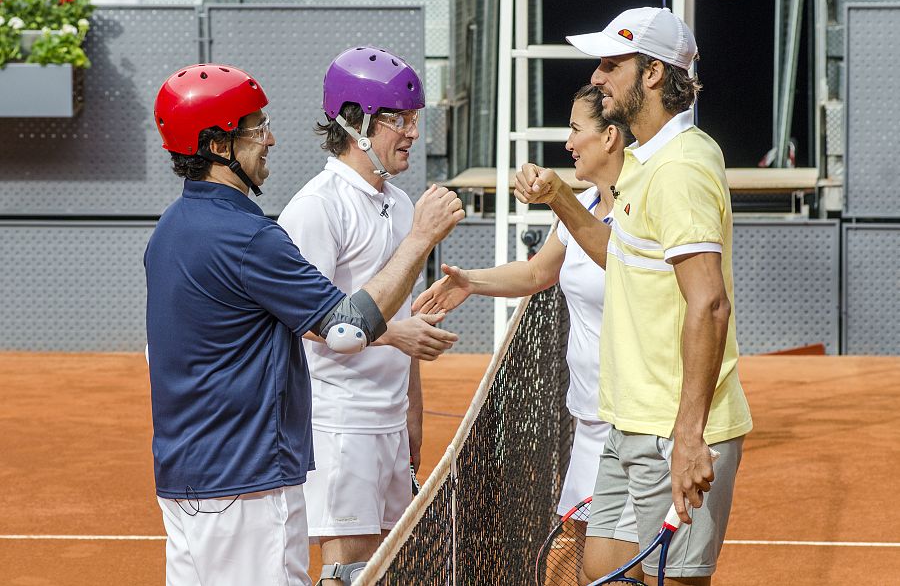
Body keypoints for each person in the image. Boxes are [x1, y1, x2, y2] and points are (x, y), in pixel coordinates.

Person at [145, 63, 463, 586]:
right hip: (247, 480)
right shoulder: (250, 238)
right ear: (219, 145)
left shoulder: (170, 228)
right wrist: (419, 240)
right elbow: (344, 330)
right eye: (255, 128)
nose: (269, 139)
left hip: (187, 476)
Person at [514, 7, 753, 586]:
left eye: (611, 64)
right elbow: (616, 256)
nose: (598, 77)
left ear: (651, 74)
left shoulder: (678, 169)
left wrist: (690, 439)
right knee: (602, 574)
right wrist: (561, 199)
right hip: (628, 423)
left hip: (673, 429)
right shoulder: (646, 161)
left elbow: (709, 303)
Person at [413, 85, 638, 565]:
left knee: (614, 565)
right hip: (591, 415)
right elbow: (539, 272)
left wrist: (557, 197)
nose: (568, 143)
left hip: (636, 423)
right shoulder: (587, 206)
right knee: (579, 554)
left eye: (577, 129)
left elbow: (618, 263)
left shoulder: (640, 205)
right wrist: (469, 281)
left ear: (611, 137)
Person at [276, 46, 459, 585]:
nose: (411, 132)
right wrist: (393, 335)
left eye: (413, 119)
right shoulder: (317, 206)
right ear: (355, 123)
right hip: (339, 423)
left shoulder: (401, 204)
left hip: (389, 422)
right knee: (349, 569)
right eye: (397, 120)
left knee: (386, 570)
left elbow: (405, 322)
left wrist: (413, 415)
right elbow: (304, 321)